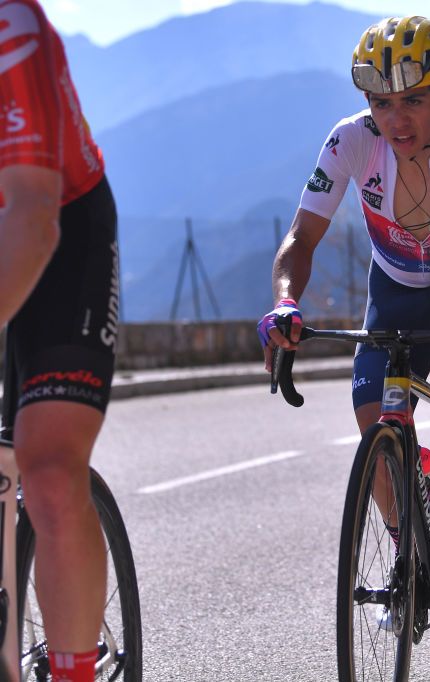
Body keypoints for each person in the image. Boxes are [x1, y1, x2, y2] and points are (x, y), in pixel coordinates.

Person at [258, 16, 430, 576]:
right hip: (395, 286)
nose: (395, 120)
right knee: (373, 427)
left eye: (412, 102)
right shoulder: (350, 138)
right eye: (381, 103)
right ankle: (409, 550)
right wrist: (285, 301)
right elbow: (301, 238)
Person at [0, 1, 120, 679]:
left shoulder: (12, 28)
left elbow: (32, 221)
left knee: (45, 472)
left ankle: (74, 670)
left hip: (60, 225)